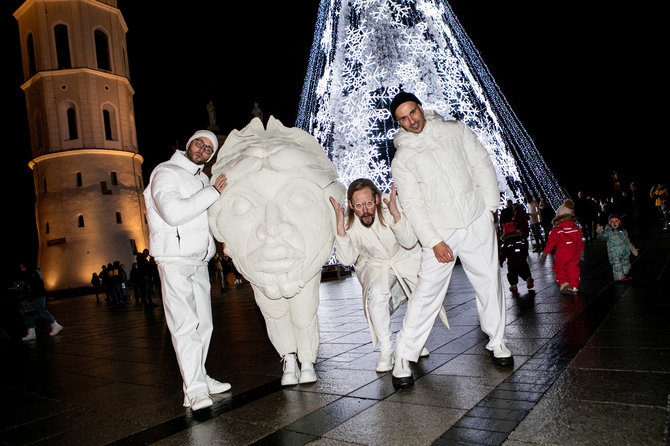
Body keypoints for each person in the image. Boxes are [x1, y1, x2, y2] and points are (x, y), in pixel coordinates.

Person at [389, 91, 512, 388]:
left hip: (475, 220)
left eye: (412, 113)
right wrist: (433, 241)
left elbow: (481, 164)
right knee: (426, 292)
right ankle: (404, 355)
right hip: (441, 233)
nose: (411, 121)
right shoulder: (402, 159)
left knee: (488, 282)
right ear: (398, 122)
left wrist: (489, 209)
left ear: (420, 108)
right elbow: (413, 204)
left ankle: (497, 341)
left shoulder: (455, 131)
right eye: (403, 118)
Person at [144, 129, 231, 411]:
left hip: (198, 260)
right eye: (200, 143)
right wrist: (213, 192)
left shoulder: (203, 178)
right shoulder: (166, 171)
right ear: (189, 143)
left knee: (204, 324)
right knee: (184, 326)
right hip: (174, 258)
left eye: (209, 149)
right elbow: (173, 213)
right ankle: (193, 391)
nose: (203, 150)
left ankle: (200, 377)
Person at [329, 179, 449, 372]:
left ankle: (412, 342)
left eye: (369, 203)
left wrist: (395, 213)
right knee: (376, 295)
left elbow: (409, 242)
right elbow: (346, 259)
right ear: (351, 205)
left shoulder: (390, 205)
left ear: (376, 198)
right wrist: (340, 226)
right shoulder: (348, 221)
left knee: (423, 295)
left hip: (404, 257)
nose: (365, 210)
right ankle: (386, 349)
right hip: (375, 265)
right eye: (359, 206)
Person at [541, 199, 584, 294]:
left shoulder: (557, 230)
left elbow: (551, 243)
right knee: (573, 269)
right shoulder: (576, 229)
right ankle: (574, 287)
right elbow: (580, 242)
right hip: (574, 252)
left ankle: (564, 282)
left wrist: (545, 252)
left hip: (562, 253)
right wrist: (581, 253)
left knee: (559, 267)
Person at [19, 263, 63, 341]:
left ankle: (55, 325)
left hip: (37, 296)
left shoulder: (31, 274)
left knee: (41, 311)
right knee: (29, 313)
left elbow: (32, 285)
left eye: (22, 266)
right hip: (33, 297)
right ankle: (31, 332)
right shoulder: (33, 273)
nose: (21, 267)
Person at [596, 215, 638, 281]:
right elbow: (603, 236)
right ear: (609, 223)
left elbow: (627, 241)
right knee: (617, 265)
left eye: (616, 221)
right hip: (614, 253)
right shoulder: (608, 232)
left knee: (626, 263)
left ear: (619, 222)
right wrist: (600, 232)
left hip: (625, 252)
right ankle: (619, 277)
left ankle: (625, 274)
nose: (614, 223)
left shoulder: (623, 231)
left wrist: (632, 249)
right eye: (612, 222)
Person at [499, 222, 534, 295]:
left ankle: (513, 285)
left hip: (512, 261)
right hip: (522, 259)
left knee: (512, 273)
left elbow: (503, 253)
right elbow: (525, 248)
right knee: (524, 270)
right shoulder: (520, 239)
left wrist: (501, 261)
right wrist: (524, 255)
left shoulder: (506, 242)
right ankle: (528, 278)